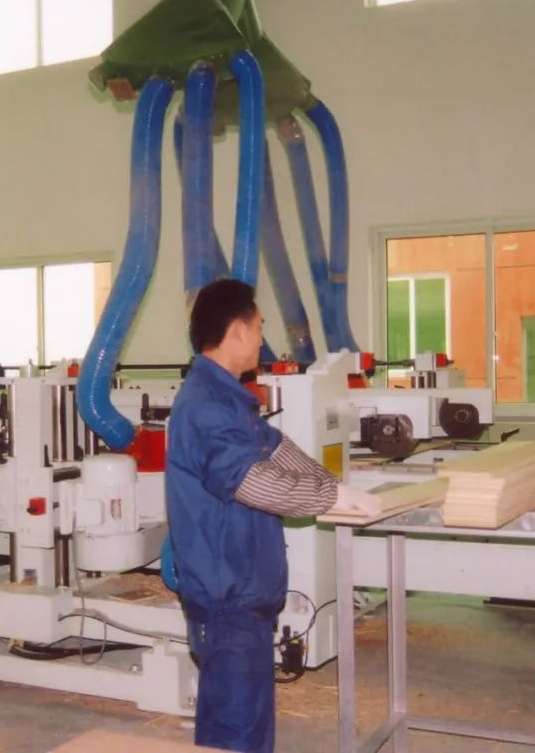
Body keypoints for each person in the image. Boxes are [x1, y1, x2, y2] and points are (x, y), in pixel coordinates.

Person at [165, 279, 384, 752]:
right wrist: (330, 499)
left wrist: (335, 486)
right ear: (238, 331)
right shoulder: (206, 405)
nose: (262, 340)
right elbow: (253, 483)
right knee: (238, 732)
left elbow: (276, 448)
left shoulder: (227, 398)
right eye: (260, 327)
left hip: (240, 590)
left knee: (236, 727)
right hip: (228, 595)